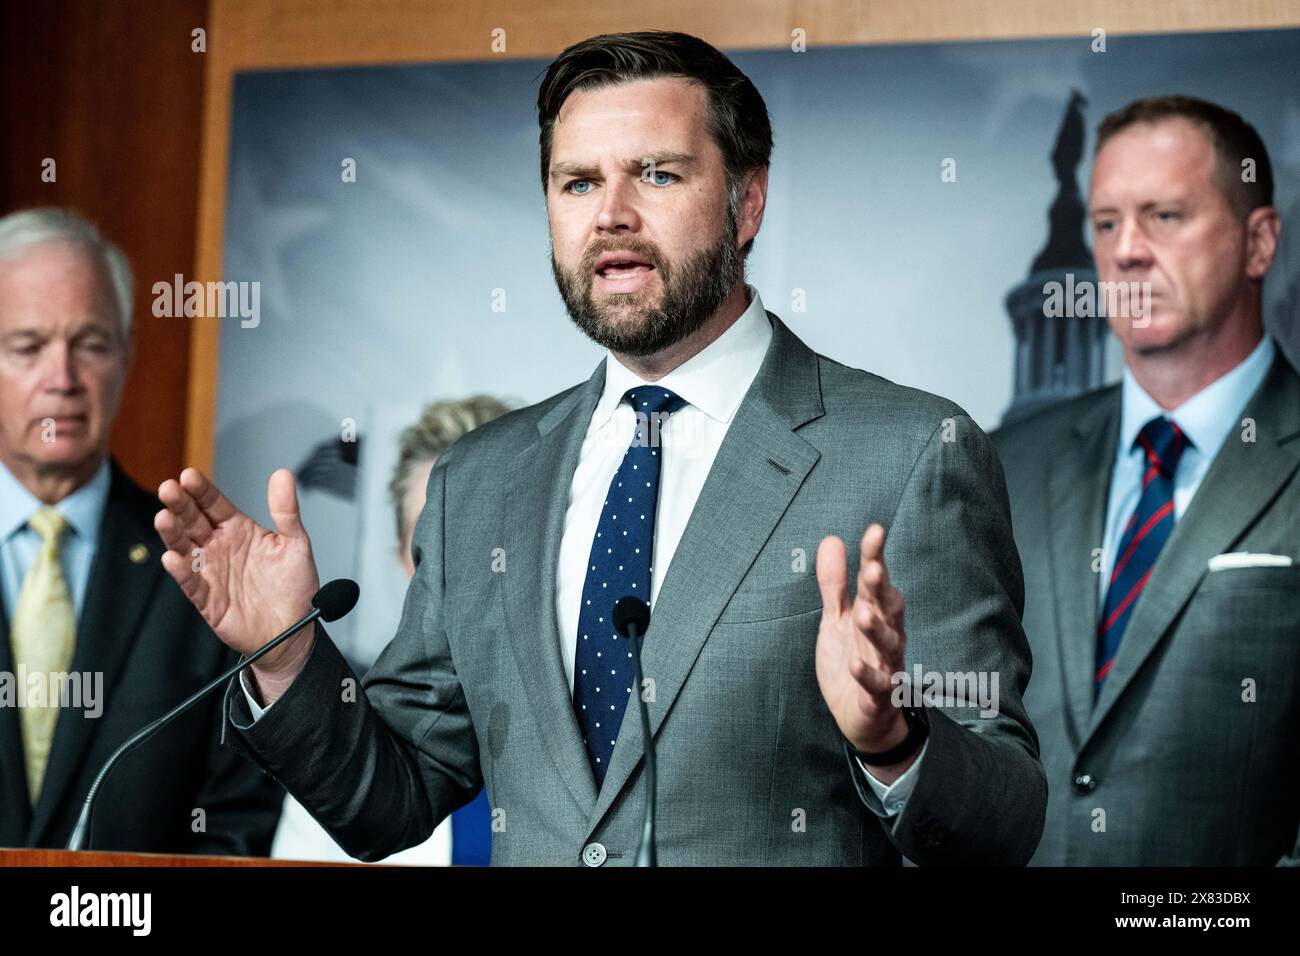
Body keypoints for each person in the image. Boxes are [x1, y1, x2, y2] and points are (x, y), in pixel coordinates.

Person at [156, 31, 1045, 865]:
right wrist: (287, 658)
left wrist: (892, 741)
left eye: (656, 174)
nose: (612, 215)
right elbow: (388, 801)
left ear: (747, 201)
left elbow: (1002, 825)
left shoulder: (909, 454)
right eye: (577, 183)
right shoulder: (479, 481)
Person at [991, 95, 1299, 865]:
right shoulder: (1004, 463)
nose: (1126, 250)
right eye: (1106, 223)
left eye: (1164, 216)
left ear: (1259, 242)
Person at [0, 207, 282, 854]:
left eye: (91, 345)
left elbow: (235, 824)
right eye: (28, 348)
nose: (63, 380)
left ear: (126, 355)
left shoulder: (200, 566)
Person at [271, 395, 509, 864]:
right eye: (433, 538)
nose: (462, 562)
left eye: (488, 531)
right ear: (402, 556)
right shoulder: (346, 745)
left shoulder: (603, 717)